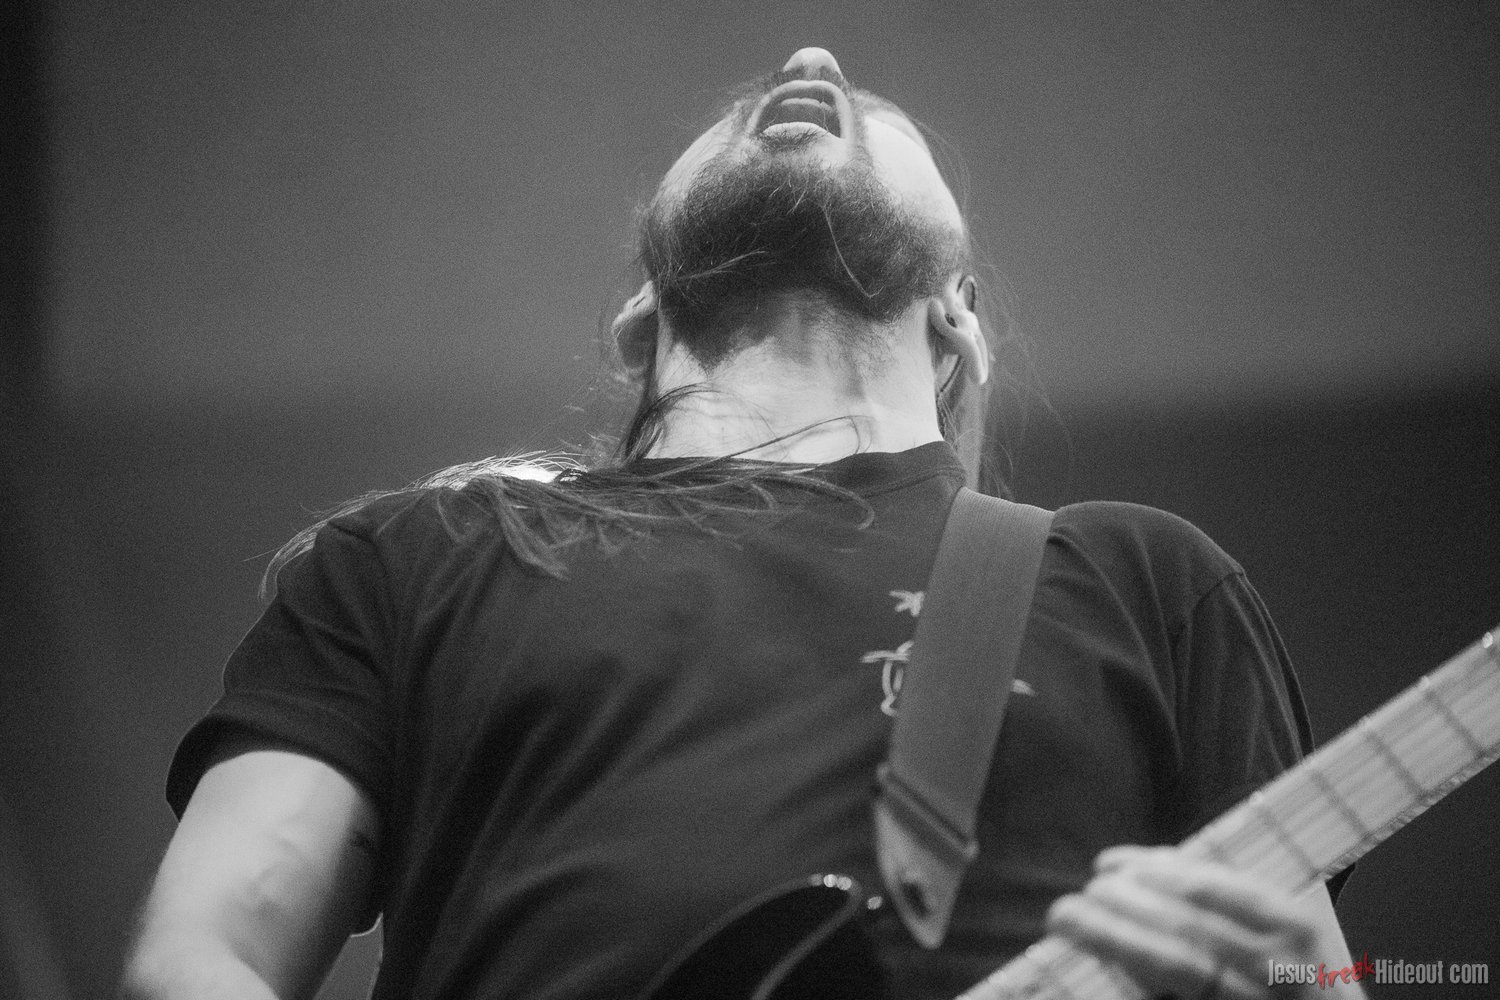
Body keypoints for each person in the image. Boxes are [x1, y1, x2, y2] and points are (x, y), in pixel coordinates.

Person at [121, 47, 1365, 1000]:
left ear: (960, 315)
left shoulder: (1140, 581)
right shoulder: (417, 559)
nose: (810, 60)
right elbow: (200, 957)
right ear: (640, 314)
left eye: (871, 104)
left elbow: (1308, 970)